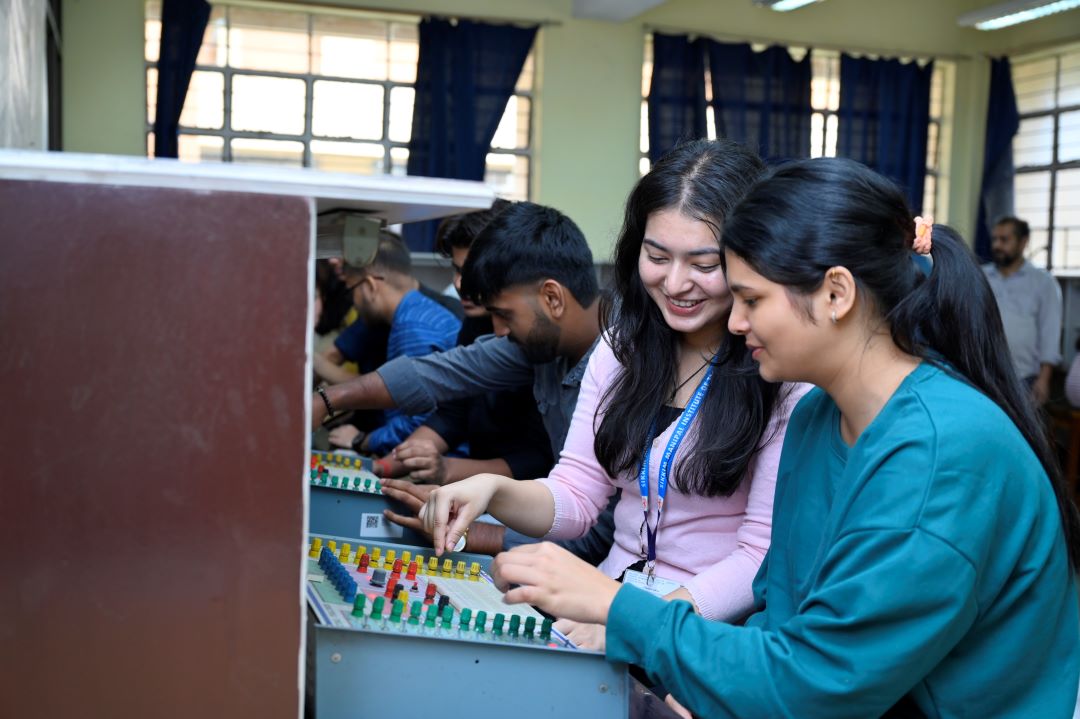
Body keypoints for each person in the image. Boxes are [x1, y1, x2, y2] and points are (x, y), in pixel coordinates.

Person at [484, 158, 1080, 718]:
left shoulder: (941, 454)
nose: (735, 322)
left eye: (751, 299)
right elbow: (784, 614)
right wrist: (708, 682)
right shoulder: (820, 415)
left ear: (836, 294)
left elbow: (821, 684)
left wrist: (622, 612)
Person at [420, 138, 808, 650]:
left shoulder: (784, 374)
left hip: (698, 634)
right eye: (657, 256)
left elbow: (758, 556)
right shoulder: (622, 348)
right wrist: (494, 490)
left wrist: (632, 622)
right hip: (607, 608)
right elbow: (577, 495)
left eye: (704, 264)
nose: (675, 283)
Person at [312, 201, 613, 560]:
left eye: (505, 315)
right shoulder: (542, 341)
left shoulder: (627, 362)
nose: (498, 331)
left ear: (552, 297)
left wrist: (469, 530)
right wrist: (328, 400)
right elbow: (443, 372)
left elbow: (598, 533)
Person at [377, 200, 555, 490]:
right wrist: (380, 469)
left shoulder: (541, 339)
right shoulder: (474, 323)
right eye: (457, 270)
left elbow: (538, 458)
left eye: (472, 271)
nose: (460, 284)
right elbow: (453, 412)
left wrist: (448, 470)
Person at [319, 233, 462, 456]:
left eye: (351, 290)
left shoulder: (412, 327)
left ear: (370, 286)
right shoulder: (417, 313)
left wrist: (362, 440)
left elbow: (420, 422)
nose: (354, 302)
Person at [983, 216, 1062, 404]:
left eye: (1004, 240)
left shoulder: (1043, 282)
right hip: (983, 374)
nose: (997, 245)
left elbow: (1050, 333)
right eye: (995, 239)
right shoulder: (981, 275)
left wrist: (1044, 379)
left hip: (1023, 378)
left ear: (1023, 242)